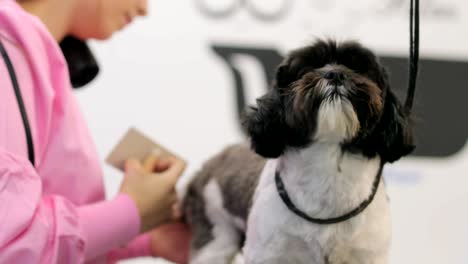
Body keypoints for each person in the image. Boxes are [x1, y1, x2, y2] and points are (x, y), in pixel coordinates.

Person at [0, 0, 191, 263]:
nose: (145, 9)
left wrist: (145, 235)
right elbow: (10, 243)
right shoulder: (7, 53)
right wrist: (129, 212)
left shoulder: (29, 56)